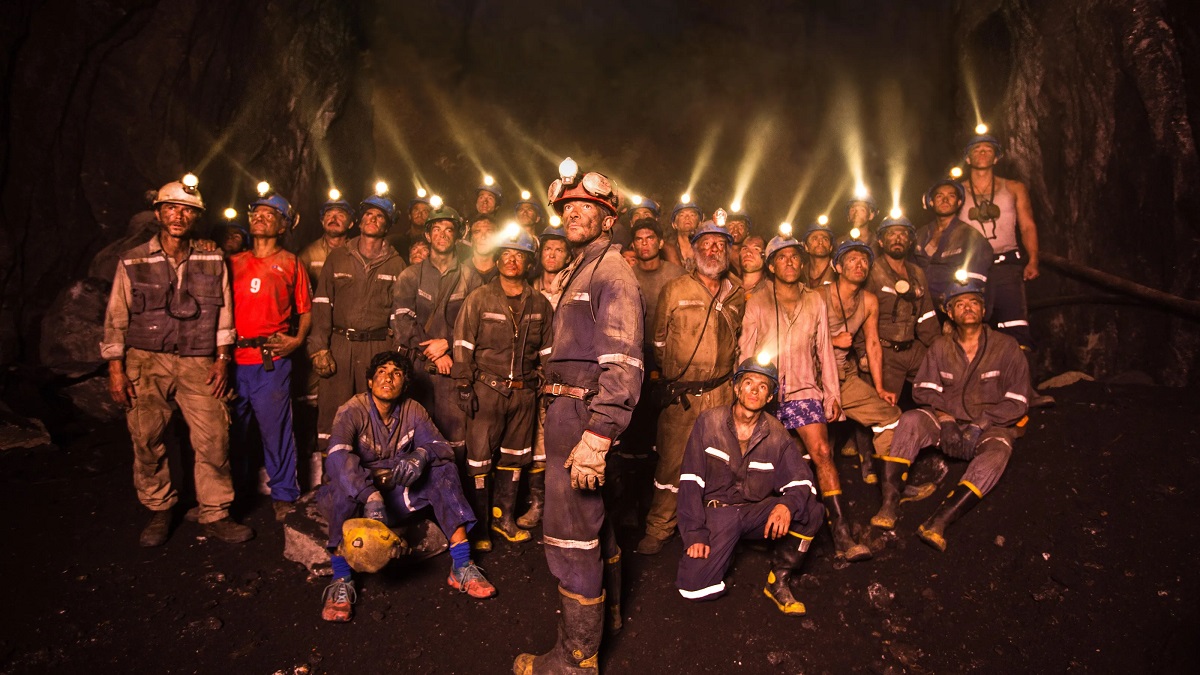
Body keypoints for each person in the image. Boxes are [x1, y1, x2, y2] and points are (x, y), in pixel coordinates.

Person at [514, 159, 643, 674]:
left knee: (571, 535)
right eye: (568, 207)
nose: (573, 214)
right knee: (598, 525)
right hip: (569, 409)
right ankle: (606, 618)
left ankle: (575, 659)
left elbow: (624, 361)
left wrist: (597, 434)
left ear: (608, 219)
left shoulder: (611, 272)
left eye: (587, 208)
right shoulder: (582, 269)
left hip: (583, 416)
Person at [101, 176, 253, 546]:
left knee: (214, 438)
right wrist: (116, 368)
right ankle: (159, 509)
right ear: (158, 213)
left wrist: (221, 359)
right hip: (145, 360)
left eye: (187, 210)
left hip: (198, 360)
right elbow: (116, 317)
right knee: (147, 438)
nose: (178, 216)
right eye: (171, 208)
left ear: (196, 218)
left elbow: (225, 315)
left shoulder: (211, 257)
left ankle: (215, 511)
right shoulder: (133, 259)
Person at [317, 351, 495, 623]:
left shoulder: (413, 409)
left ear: (404, 384)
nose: (388, 378)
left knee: (442, 468)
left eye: (397, 373)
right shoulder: (352, 410)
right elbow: (338, 456)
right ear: (369, 381)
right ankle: (341, 579)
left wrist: (422, 455)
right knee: (343, 484)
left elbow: (441, 447)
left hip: (397, 497)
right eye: (382, 372)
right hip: (359, 501)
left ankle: (461, 565)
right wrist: (370, 495)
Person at [869, 279, 1030, 550]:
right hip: (948, 423)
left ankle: (939, 521)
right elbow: (923, 389)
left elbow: (1018, 400)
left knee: (999, 453)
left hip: (989, 427)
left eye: (974, 302)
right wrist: (945, 420)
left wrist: (981, 423)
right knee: (910, 420)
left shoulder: (1006, 347)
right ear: (951, 313)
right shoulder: (941, 347)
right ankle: (890, 503)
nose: (967, 308)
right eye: (960, 304)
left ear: (983, 311)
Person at [739, 233, 871, 561]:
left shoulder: (814, 300)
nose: (790, 263)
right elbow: (744, 350)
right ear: (770, 265)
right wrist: (744, 394)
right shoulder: (757, 301)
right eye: (782, 258)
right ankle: (760, 528)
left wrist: (831, 393)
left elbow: (824, 348)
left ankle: (841, 534)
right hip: (767, 392)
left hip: (804, 388)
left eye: (795, 257)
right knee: (764, 462)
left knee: (823, 452)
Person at [675, 355, 824, 615]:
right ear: (736, 388)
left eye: (763, 386)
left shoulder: (777, 434)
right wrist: (694, 533)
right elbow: (690, 481)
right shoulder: (708, 423)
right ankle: (728, 549)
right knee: (694, 588)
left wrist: (786, 506)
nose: (754, 390)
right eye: (748, 382)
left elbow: (803, 481)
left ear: (769, 398)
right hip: (717, 513)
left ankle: (779, 578)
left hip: (755, 512)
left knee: (811, 509)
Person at [637, 212, 745, 556]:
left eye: (719, 244)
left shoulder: (738, 293)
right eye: (705, 244)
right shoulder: (675, 288)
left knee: (720, 463)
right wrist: (671, 376)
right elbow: (658, 341)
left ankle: (711, 528)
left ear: (728, 250)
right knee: (671, 464)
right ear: (694, 250)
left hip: (722, 392)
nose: (713, 250)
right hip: (681, 395)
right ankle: (659, 527)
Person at [452, 226, 553, 548]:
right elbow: (463, 343)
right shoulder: (479, 298)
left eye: (519, 256)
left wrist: (550, 387)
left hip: (524, 392)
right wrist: (464, 385)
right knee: (479, 460)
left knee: (516, 457)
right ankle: (479, 526)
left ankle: (503, 519)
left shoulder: (540, 304)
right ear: (496, 260)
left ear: (529, 263)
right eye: (506, 255)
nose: (512, 261)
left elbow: (549, 351)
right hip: (486, 390)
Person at [229, 185, 311, 520]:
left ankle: (283, 494)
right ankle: (233, 493)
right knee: (231, 430)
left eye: (271, 215)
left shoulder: (291, 263)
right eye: (257, 213)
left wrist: (296, 341)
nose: (261, 218)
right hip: (233, 360)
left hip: (270, 361)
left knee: (276, 430)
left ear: (283, 226)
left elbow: (305, 311)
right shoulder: (231, 262)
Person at [308, 190, 407, 459]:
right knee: (333, 412)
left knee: (374, 412)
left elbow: (399, 315)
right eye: (368, 215)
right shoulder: (338, 257)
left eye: (380, 216)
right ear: (360, 222)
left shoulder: (397, 264)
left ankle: (371, 483)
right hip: (340, 346)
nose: (373, 219)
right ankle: (332, 485)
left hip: (377, 347)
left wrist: (395, 357)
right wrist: (319, 348)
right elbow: (321, 304)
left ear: (387, 225)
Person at [393, 205, 482, 485]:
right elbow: (402, 322)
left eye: (449, 230)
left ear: (456, 237)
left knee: (455, 435)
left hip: (452, 368)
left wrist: (449, 344)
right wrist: (432, 354)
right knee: (412, 433)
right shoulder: (410, 275)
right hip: (419, 367)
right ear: (428, 235)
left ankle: (452, 496)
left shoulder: (471, 277)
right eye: (436, 229)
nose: (442, 235)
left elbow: (477, 325)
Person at [817, 240, 901, 516]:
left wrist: (878, 387)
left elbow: (873, 344)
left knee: (890, 415)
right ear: (837, 266)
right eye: (852, 260)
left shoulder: (869, 301)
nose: (859, 265)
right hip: (813, 380)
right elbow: (796, 342)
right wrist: (832, 341)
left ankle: (890, 493)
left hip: (844, 378)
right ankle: (812, 503)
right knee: (812, 444)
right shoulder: (817, 295)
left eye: (864, 261)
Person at [521, 223, 570, 529]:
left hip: (567, 375)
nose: (553, 255)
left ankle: (564, 508)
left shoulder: (576, 286)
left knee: (566, 440)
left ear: (568, 255)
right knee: (536, 441)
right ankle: (538, 505)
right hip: (534, 374)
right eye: (548, 249)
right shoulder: (527, 287)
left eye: (559, 249)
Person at [867, 216, 942, 397]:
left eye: (903, 234)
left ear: (909, 242)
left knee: (941, 386)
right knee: (885, 409)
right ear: (881, 241)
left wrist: (941, 349)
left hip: (913, 348)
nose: (898, 238)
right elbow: (861, 316)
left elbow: (927, 316)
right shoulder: (871, 271)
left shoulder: (917, 272)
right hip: (884, 353)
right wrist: (863, 353)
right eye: (891, 233)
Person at [913, 179, 991, 313]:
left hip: (952, 305)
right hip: (921, 304)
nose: (945, 200)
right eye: (939, 196)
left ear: (959, 203)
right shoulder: (919, 235)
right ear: (931, 202)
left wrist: (951, 302)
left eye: (951, 196)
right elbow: (909, 269)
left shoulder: (970, 236)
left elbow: (975, 279)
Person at [299, 189, 354, 285]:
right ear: (322, 222)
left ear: (351, 224)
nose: (333, 219)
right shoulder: (309, 254)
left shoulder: (357, 253)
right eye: (328, 215)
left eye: (340, 215)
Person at [661, 196, 703, 272]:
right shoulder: (666, 248)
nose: (687, 217)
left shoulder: (706, 246)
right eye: (682, 215)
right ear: (674, 224)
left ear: (699, 223)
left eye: (692, 215)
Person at [803, 220, 836, 289]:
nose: (820, 242)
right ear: (806, 247)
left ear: (831, 247)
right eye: (815, 239)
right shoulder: (800, 273)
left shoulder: (839, 272)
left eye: (825, 239)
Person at [466, 214, 499, 283]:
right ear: (471, 239)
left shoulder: (506, 272)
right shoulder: (460, 272)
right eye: (477, 232)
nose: (483, 237)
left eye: (489, 232)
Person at [739, 234, 768, 299]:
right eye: (745, 248)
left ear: (764, 255)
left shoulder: (772, 290)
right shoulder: (729, 286)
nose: (748, 253)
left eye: (756, 249)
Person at [725, 209, 751, 275]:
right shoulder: (718, 253)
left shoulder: (753, 254)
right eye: (731, 225)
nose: (735, 229)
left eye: (741, 225)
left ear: (747, 230)